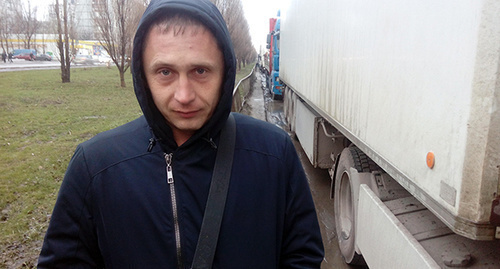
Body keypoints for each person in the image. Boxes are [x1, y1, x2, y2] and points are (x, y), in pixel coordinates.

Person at [37, 0, 324, 268]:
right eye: (165, 72)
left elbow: (303, 255)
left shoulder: (274, 154)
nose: (184, 96)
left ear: (225, 72)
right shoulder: (95, 167)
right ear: (142, 75)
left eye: (200, 71)